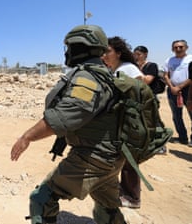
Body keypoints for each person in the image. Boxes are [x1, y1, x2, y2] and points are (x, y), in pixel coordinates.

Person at [11, 25, 128, 224]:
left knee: (41, 199)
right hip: (112, 156)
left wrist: (26, 137)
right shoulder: (103, 73)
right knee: (107, 206)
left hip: (93, 157)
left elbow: (65, 116)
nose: (67, 52)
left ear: (83, 47)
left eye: (70, 47)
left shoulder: (88, 78)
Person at [102, 36, 143, 209]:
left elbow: (139, 92)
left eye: (108, 51)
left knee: (129, 161)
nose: (104, 55)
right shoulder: (115, 70)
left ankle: (133, 198)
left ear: (118, 53)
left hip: (130, 122)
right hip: (119, 121)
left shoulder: (129, 69)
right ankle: (122, 191)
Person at [133, 45, 167, 154]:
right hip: (137, 97)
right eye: (135, 54)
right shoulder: (134, 66)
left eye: (139, 54)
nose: (136, 56)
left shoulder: (151, 66)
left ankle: (161, 145)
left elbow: (147, 80)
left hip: (150, 97)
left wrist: (134, 72)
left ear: (145, 54)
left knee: (154, 121)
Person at [163, 39, 192, 146]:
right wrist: (172, 87)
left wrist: (180, 86)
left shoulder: (190, 59)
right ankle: (182, 137)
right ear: (172, 49)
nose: (178, 49)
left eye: (181, 47)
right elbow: (166, 75)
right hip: (173, 90)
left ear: (186, 48)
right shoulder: (169, 60)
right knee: (176, 115)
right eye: (175, 47)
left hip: (189, 90)